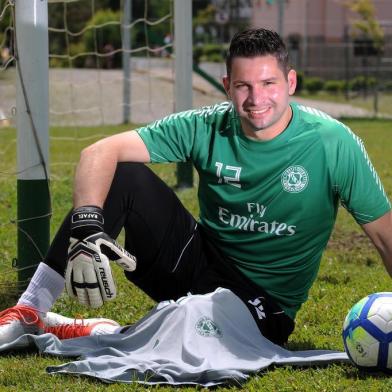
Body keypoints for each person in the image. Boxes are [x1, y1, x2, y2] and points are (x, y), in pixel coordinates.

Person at [1, 28, 391, 347]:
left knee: (188, 336)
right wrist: (87, 228)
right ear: (226, 85)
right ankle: (31, 309)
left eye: (269, 83)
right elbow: (97, 152)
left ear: (290, 82)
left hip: (263, 304)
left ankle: (94, 330)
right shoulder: (206, 124)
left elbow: (385, 238)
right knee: (124, 173)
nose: (257, 99)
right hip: (196, 263)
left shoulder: (331, 142)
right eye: (243, 86)